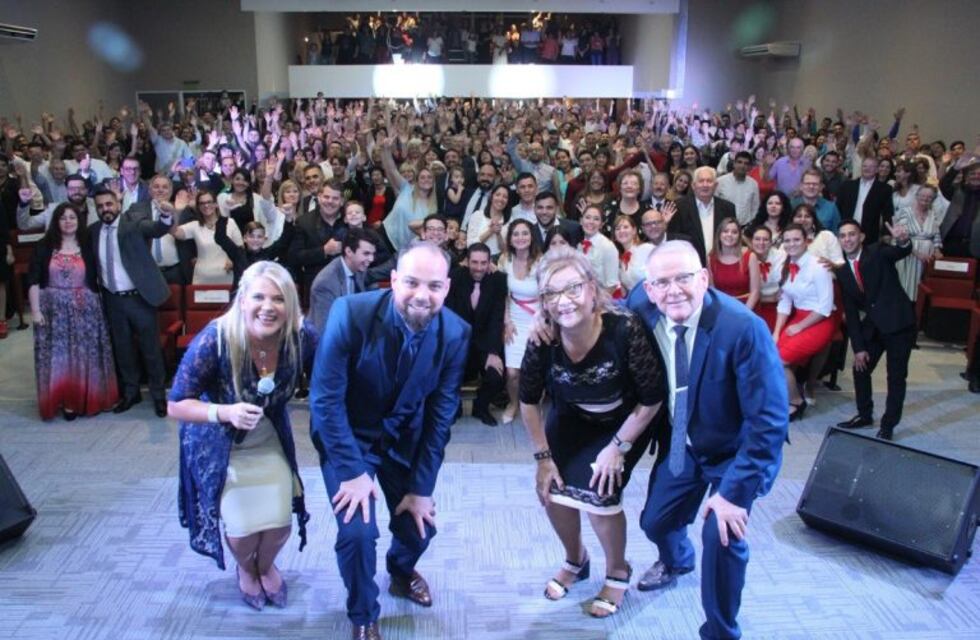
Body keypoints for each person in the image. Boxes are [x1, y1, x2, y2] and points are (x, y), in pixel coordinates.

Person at [626, 240, 788, 640]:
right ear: (648, 289)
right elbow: (596, 317)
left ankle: (720, 631)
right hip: (682, 441)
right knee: (655, 521)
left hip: (736, 452)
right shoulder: (641, 308)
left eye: (683, 278)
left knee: (722, 537)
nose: (673, 290)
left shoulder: (742, 328)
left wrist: (733, 493)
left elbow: (768, 420)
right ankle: (678, 560)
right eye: (661, 282)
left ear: (704, 278)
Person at [309, 242, 469, 640]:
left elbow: (440, 416)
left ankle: (400, 572)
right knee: (359, 533)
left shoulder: (455, 333)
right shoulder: (351, 313)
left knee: (419, 527)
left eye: (434, 286)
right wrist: (351, 471)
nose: (422, 295)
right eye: (412, 282)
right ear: (394, 280)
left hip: (404, 438)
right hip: (348, 436)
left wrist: (420, 488)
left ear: (447, 288)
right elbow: (325, 401)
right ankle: (364, 614)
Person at [520, 247, 664, 617]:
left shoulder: (625, 326)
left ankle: (618, 569)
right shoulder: (542, 337)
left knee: (600, 493)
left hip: (627, 419)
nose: (564, 301)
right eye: (552, 294)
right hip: (572, 415)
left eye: (573, 289)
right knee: (552, 491)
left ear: (592, 288)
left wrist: (617, 449)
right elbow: (528, 402)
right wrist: (543, 458)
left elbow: (652, 399)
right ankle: (575, 559)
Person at [168, 261, 316, 610]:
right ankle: (246, 571)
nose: (269, 307)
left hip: (269, 441)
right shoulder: (215, 339)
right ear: (243, 299)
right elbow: (176, 405)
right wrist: (224, 411)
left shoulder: (300, 336)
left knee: (279, 526)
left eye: (279, 299)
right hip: (221, 444)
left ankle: (264, 566)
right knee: (242, 530)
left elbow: (334, 370)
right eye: (259, 297)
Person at [28, 203, 119, 420]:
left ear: (79, 222)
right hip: (53, 310)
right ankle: (65, 400)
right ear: (56, 222)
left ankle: (82, 400)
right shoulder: (43, 246)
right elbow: (32, 280)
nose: (68, 221)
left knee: (84, 356)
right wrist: (35, 310)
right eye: (63, 218)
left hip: (85, 310)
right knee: (60, 357)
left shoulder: (88, 245)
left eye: (72, 218)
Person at [90, 187, 172, 417]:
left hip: (139, 298)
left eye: (109, 204)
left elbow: (157, 229)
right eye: (100, 206)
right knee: (123, 350)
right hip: (112, 299)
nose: (105, 209)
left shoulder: (132, 224)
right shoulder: (94, 231)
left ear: (117, 203)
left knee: (151, 350)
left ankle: (158, 396)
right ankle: (131, 392)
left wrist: (166, 216)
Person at [833, 220, 916, 441]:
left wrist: (903, 240)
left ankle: (888, 425)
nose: (847, 239)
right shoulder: (841, 270)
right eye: (843, 236)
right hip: (873, 325)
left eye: (852, 234)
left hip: (899, 323)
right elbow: (850, 312)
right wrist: (858, 347)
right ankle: (864, 415)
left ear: (861, 237)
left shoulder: (877, 252)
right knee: (860, 368)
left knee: (895, 377)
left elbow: (900, 252)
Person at [772, 224, 835, 420]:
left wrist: (800, 326)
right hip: (798, 317)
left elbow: (825, 307)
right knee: (773, 354)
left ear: (806, 240)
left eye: (796, 240)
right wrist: (776, 331)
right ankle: (786, 397)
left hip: (819, 320)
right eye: (787, 240)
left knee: (780, 360)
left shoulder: (819, 266)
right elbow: (785, 301)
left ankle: (796, 403)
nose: (791, 244)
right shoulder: (786, 265)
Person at [445, 242, 507, 426]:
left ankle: (481, 407)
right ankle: (453, 408)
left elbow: (497, 319)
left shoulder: (498, 280)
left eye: (483, 263)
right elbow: (449, 316)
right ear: (467, 261)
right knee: (446, 372)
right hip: (458, 341)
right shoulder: (455, 278)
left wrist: (493, 352)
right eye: (475, 262)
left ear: (490, 262)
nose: (479, 268)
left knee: (497, 376)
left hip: (484, 342)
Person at [501, 219, 543, 424]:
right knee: (512, 372)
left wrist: (541, 321)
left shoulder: (541, 261)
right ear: (509, 238)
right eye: (515, 234)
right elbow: (503, 295)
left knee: (535, 369)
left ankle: (534, 405)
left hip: (538, 318)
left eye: (524, 233)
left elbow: (547, 295)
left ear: (532, 236)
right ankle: (513, 402)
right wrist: (506, 321)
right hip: (514, 317)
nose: (520, 238)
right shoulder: (504, 260)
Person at [308, 227, 378, 334]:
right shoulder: (325, 283)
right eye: (366, 254)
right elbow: (324, 332)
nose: (371, 259)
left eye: (373, 254)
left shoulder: (359, 268)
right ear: (349, 252)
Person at [667, 166, 737, 266]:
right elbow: (674, 240)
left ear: (716, 185)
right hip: (690, 265)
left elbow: (734, 239)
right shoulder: (678, 207)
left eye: (709, 181)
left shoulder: (728, 208)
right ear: (693, 185)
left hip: (721, 266)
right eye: (701, 181)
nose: (705, 185)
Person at [171, 191, 242, 285]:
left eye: (209, 202)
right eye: (202, 203)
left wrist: (233, 260)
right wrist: (177, 212)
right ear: (198, 207)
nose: (206, 205)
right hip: (202, 278)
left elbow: (240, 248)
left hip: (226, 276)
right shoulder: (195, 226)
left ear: (216, 204)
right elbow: (174, 232)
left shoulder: (230, 223)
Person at [893, 184, 945, 301]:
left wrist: (937, 250)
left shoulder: (933, 214)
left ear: (933, 199)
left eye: (929, 197)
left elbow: (936, 235)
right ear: (917, 196)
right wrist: (916, 253)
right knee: (905, 286)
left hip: (927, 256)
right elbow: (901, 237)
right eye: (922, 195)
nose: (925, 199)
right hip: (908, 255)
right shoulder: (905, 212)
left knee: (922, 289)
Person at [837, 156, 895, 244]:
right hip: (846, 231)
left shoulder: (885, 189)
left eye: (871, 167)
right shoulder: (847, 186)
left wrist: (886, 234)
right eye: (865, 166)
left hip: (870, 234)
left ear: (877, 170)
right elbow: (838, 208)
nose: (867, 169)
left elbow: (887, 213)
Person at [708, 217, 760, 308]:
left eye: (734, 232)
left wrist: (744, 314)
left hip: (747, 308)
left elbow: (755, 292)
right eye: (725, 231)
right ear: (719, 235)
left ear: (739, 236)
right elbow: (712, 293)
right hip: (722, 308)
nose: (729, 235)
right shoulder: (710, 259)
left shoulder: (750, 256)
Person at [747, 225, 786, 330]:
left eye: (765, 239)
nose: (761, 243)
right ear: (751, 241)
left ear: (771, 242)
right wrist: (769, 298)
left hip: (778, 305)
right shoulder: (746, 258)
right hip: (754, 305)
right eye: (757, 239)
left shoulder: (782, 256)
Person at [579, 204, 619, 294]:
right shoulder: (578, 245)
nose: (591, 222)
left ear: (601, 224)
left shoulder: (607, 247)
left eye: (596, 219)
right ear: (581, 221)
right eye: (588, 217)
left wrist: (597, 304)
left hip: (601, 299)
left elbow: (612, 285)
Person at [714, 152, 760, 226]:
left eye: (746, 163)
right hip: (724, 226)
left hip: (745, 227)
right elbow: (714, 205)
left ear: (749, 167)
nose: (742, 166)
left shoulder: (753, 184)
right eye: (739, 162)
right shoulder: (720, 182)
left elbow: (755, 207)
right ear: (734, 164)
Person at [465, 184, 510, 258]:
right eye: (498, 195)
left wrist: (498, 234)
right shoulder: (478, 215)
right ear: (491, 196)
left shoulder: (509, 220)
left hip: (499, 262)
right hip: (478, 258)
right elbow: (470, 245)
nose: (501, 199)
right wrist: (490, 231)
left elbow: (506, 251)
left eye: (505, 197)